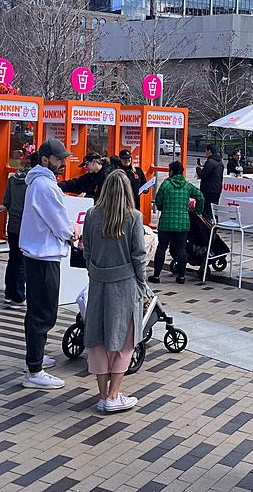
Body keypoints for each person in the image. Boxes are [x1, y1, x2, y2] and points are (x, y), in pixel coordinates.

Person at [82, 169, 147, 412]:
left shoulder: (91, 214)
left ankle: (102, 396)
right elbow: (139, 255)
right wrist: (142, 284)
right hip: (125, 284)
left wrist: (94, 271)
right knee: (124, 341)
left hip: (98, 282)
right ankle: (113, 395)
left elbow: (86, 249)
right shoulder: (134, 217)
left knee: (97, 339)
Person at [20, 138, 79, 390]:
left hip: (37, 255)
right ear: (45, 160)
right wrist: (72, 233)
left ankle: (36, 356)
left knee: (35, 310)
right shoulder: (45, 185)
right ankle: (35, 370)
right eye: (58, 159)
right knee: (44, 313)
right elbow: (58, 220)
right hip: (44, 256)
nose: (62, 163)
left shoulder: (39, 182)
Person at [151, 161, 204, 285]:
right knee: (181, 250)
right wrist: (197, 211)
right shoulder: (187, 186)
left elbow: (158, 202)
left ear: (172, 171)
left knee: (161, 248)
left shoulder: (165, 185)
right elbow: (200, 197)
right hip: (183, 224)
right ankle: (181, 277)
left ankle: (156, 276)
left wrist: (163, 207)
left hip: (166, 224)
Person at [1, 161, 29, 309]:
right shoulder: (32, 182)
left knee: (13, 260)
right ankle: (18, 296)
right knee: (22, 263)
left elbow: (6, 201)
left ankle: (9, 292)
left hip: (12, 226)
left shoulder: (13, 179)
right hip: (25, 227)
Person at [195, 144, 223, 219]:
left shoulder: (210, 161)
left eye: (206, 151)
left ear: (209, 151)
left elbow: (202, 175)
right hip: (217, 189)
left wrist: (198, 169)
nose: (205, 153)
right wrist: (203, 166)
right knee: (214, 210)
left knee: (207, 211)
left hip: (208, 190)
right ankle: (214, 225)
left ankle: (207, 228)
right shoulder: (219, 162)